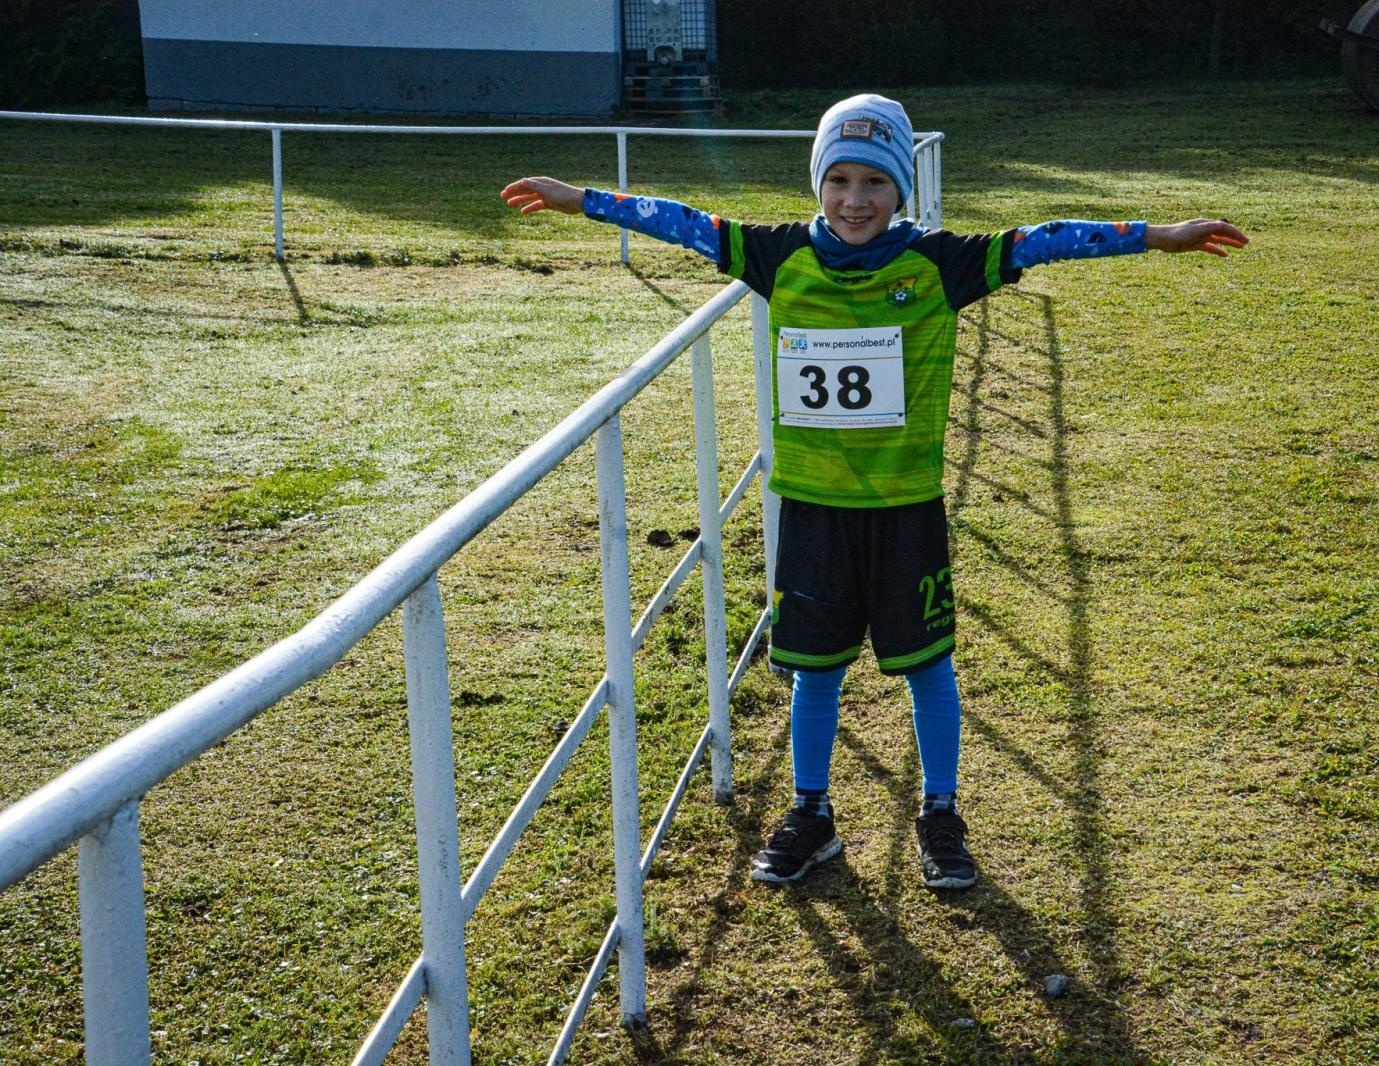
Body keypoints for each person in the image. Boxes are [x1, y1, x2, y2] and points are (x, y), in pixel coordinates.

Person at [502, 93, 1246, 891]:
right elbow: (684, 222)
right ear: (819, 185)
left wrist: (1157, 237)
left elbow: (1046, 240)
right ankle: (812, 815)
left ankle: (940, 811)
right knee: (814, 673)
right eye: (840, 182)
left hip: (905, 513)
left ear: (901, 193)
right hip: (815, 513)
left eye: (875, 185)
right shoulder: (777, 256)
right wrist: (578, 200)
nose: (855, 201)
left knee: (929, 667)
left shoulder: (939, 263)